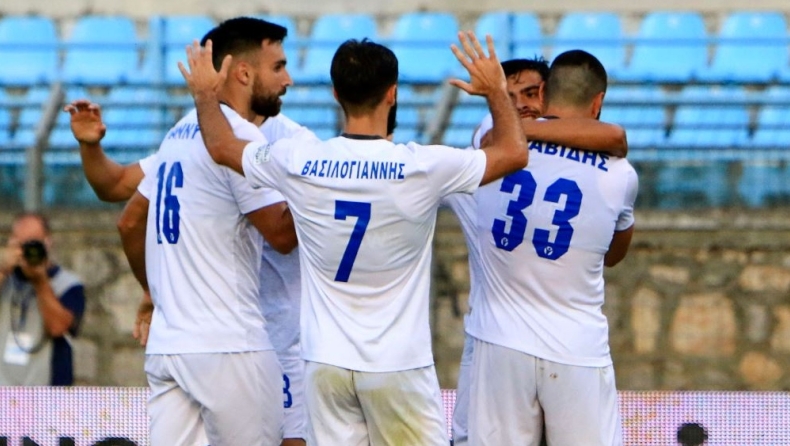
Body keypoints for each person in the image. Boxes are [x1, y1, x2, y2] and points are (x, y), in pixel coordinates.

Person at [179, 32, 527, 445]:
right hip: (398, 364)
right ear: (392, 94)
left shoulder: (299, 160)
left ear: (336, 94)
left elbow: (221, 146)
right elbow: (514, 152)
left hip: (326, 363)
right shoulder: (422, 166)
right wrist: (496, 91)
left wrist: (205, 95)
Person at [66, 17, 314, 446]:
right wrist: (322, 194)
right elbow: (281, 234)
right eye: (278, 67)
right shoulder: (239, 138)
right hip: (230, 343)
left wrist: (153, 292)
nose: (288, 79)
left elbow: (129, 217)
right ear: (243, 73)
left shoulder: (179, 133)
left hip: (170, 348)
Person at [446, 56, 629, 446]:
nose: (520, 105)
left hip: (500, 340)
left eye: (529, 94)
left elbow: (614, 137)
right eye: (509, 97)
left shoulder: (497, 150)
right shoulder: (619, 172)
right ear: (597, 102)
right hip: (572, 345)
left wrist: (514, 121)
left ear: (546, 93)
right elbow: (616, 140)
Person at [0, 212, 85, 386]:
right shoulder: (5, 279)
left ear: (48, 243)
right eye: (20, 244)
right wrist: (2, 269)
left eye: (33, 243)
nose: (26, 251)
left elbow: (58, 327)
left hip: (47, 394)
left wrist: (40, 280)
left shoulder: (68, 284)